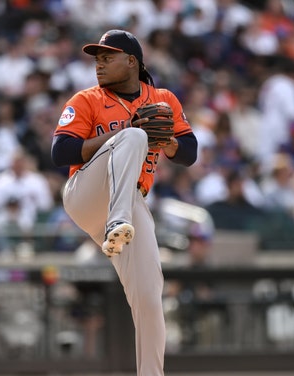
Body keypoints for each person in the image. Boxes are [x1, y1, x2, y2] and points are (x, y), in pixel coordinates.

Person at [50, 29, 197, 375]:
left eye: (107, 58)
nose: (98, 65)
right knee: (133, 134)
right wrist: (123, 133)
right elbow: (61, 152)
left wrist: (169, 142)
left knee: (149, 295)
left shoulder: (163, 99)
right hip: (87, 193)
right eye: (96, 59)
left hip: (130, 202)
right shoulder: (86, 99)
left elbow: (188, 153)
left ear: (131, 62)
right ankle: (116, 222)